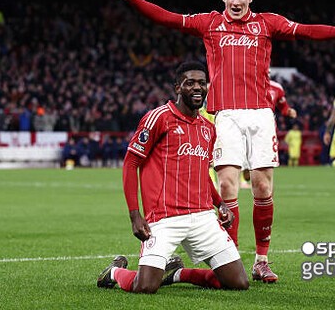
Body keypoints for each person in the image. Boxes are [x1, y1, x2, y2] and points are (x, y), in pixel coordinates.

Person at [106, 0, 335, 282]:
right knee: (227, 186)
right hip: (226, 114)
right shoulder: (209, 23)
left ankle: (262, 260)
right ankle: (230, 253)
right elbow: (167, 18)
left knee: (262, 187)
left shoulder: (266, 23)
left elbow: (305, 31)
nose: (236, 1)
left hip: (260, 114)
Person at [97, 62, 248, 293]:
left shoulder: (208, 128)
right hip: (164, 218)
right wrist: (135, 215)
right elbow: (131, 163)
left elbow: (201, 174)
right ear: (178, 87)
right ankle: (115, 272)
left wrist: (220, 204)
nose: (197, 88)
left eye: (201, 83)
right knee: (145, 287)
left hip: (202, 217)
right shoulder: (158, 118)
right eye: (190, 83)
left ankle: (176, 273)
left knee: (238, 283)